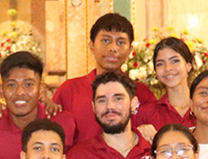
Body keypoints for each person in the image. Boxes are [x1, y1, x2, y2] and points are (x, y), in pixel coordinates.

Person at [52, 13, 156, 145]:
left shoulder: (143, 93)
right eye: (106, 40)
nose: (113, 48)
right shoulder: (70, 90)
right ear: (91, 46)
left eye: (121, 42)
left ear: (130, 50)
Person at [0, 51, 78, 159]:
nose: (20, 92)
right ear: (1, 91)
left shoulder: (63, 122)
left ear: (41, 90)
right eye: (11, 85)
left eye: (28, 85)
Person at [134, 37, 197, 135]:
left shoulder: (204, 108)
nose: (168, 68)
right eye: (160, 64)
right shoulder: (146, 112)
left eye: (175, 61)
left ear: (188, 65)